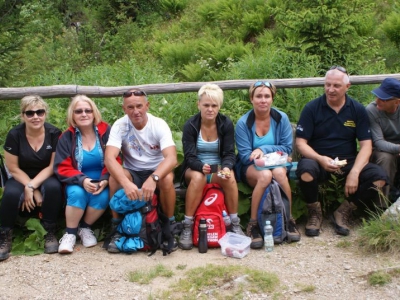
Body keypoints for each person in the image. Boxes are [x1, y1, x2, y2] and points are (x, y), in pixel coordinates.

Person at [295, 66, 388, 237]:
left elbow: (366, 145)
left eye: (336, 85)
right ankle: (314, 212)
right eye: (327, 85)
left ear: (347, 87)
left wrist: (355, 172)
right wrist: (320, 158)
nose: (330, 90)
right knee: (306, 171)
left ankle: (344, 210)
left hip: (348, 161)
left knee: (379, 178)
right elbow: (300, 142)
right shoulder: (312, 108)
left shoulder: (357, 109)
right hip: (318, 159)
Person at [104, 89, 177, 253]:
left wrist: (154, 178)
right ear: (124, 109)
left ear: (147, 106)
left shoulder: (158, 124)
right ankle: (116, 226)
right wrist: (125, 183)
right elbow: (109, 158)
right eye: (130, 107)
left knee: (166, 180)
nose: (135, 111)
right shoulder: (120, 125)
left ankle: (169, 224)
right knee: (115, 178)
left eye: (139, 106)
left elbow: (171, 158)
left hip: (157, 169)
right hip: (133, 171)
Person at [179, 84, 245, 250]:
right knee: (198, 177)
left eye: (214, 105)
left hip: (217, 167)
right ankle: (187, 225)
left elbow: (229, 153)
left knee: (229, 178)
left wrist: (227, 167)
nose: (210, 109)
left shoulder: (226, 124)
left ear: (219, 106)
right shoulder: (191, 125)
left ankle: (234, 222)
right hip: (194, 168)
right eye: (206, 105)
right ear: (198, 105)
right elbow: (189, 156)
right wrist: (200, 166)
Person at [235, 81, 300, 249]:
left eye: (266, 96)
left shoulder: (281, 118)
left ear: (272, 99)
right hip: (251, 167)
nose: (262, 100)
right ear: (251, 99)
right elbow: (244, 156)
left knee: (278, 173)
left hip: (277, 163)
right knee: (265, 176)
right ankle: (253, 224)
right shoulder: (243, 123)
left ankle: (289, 219)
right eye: (258, 96)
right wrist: (265, 158)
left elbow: (287, 148)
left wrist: (263, 149)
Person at [0, 95, 63, 261]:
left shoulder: (54, 133)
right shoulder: (15, 135)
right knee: (11, 193)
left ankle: (49, 231)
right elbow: (13, 167)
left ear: (45, 114)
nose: (35, 116)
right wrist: (30, 186)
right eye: (30, 113)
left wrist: (31, 187)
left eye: (40, 112)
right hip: (20, 175)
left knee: (53, 187)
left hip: (46, 174)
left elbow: (52, 166)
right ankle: (5, 235)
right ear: (23, 115)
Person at [54, 95, 118, 254]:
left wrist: (104, 180)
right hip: (76, 179)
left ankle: (85, 228)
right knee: (77, 193)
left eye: (88, 110)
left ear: (94, 113)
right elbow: (61, 166)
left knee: (103, 196)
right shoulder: (66, 136)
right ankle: (70, 233)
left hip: (103, 178)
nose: (84, 114)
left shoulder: (106, 131)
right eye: (79, 111)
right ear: (72, 115)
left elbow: (116, 157)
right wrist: (82, 180)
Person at [366, 78, 400, 201]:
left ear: (397, 102)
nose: (377, 100)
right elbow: (378, 142)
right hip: (381, 149)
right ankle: (380, 205)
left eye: (384, 99)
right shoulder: (372, 110)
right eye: (377, 96)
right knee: (386, 158)